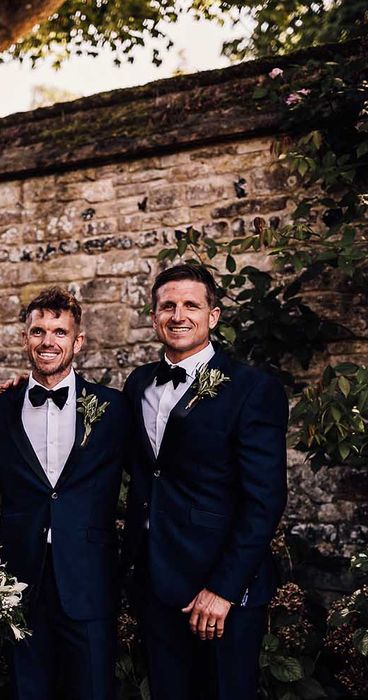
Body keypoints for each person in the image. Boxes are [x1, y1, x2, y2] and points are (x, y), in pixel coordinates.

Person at [122, 263, 288, 700]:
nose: (178, 315)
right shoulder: (138, 383)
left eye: (191, 305)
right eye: (167, 306)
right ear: (155, 316)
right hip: (156, 584)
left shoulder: (253, 389)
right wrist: (24, 393)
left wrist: (223, 589)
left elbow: (265, 500)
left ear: (213, 316)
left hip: (220, 591)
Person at [0, 287, 131, 700]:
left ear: (78, 341)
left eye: (60, 332)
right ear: (25, 338)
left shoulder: (114, 409)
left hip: (89, 578)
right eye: (38, 331)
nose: (48, 342)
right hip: (20, 580)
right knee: (28, 689)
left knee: (94, 689)